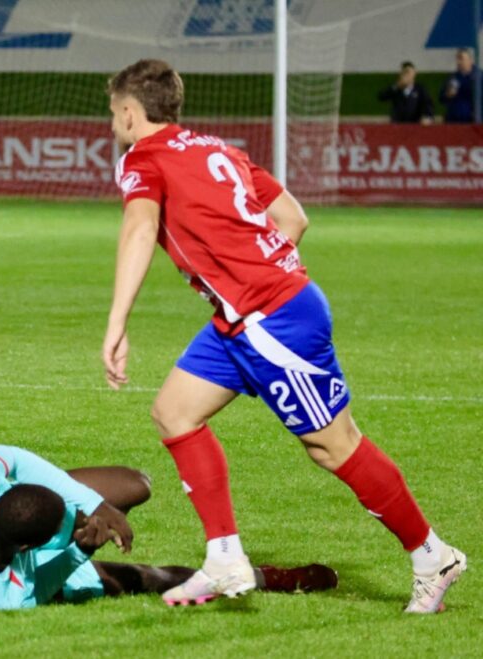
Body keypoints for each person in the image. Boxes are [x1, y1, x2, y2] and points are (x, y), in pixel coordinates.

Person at [101, 59, 465, 614]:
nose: (112, 124)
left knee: (334, 445)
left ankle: (431, 555)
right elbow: (292, 218)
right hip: (245, 319)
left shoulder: (142, 158)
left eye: (112, 112)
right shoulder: (214, 148)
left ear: (130, 111)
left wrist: (117, 322)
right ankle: (224, 559)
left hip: (271, 323)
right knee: (174, 412)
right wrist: (261, 273)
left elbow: (140, 226)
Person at [0, 445, 338, 609]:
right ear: (30, 549)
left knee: (134, 485)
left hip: (8, 529)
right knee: (147, 577)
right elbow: (44, 586)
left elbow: (13, 456)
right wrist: (79, 551)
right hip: (18, 571)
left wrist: (93, 504)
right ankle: (269, 579)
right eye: (65, 525)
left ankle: (78, 507)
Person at [440, 48, 482, 123]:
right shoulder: (452, 78)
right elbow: (442, 98)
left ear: (470, 60)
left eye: (461, 58)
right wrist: (448, 94)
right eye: (457, 59)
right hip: (454, 122)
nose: (458, 62)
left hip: (474, 123)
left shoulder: (479, 78)